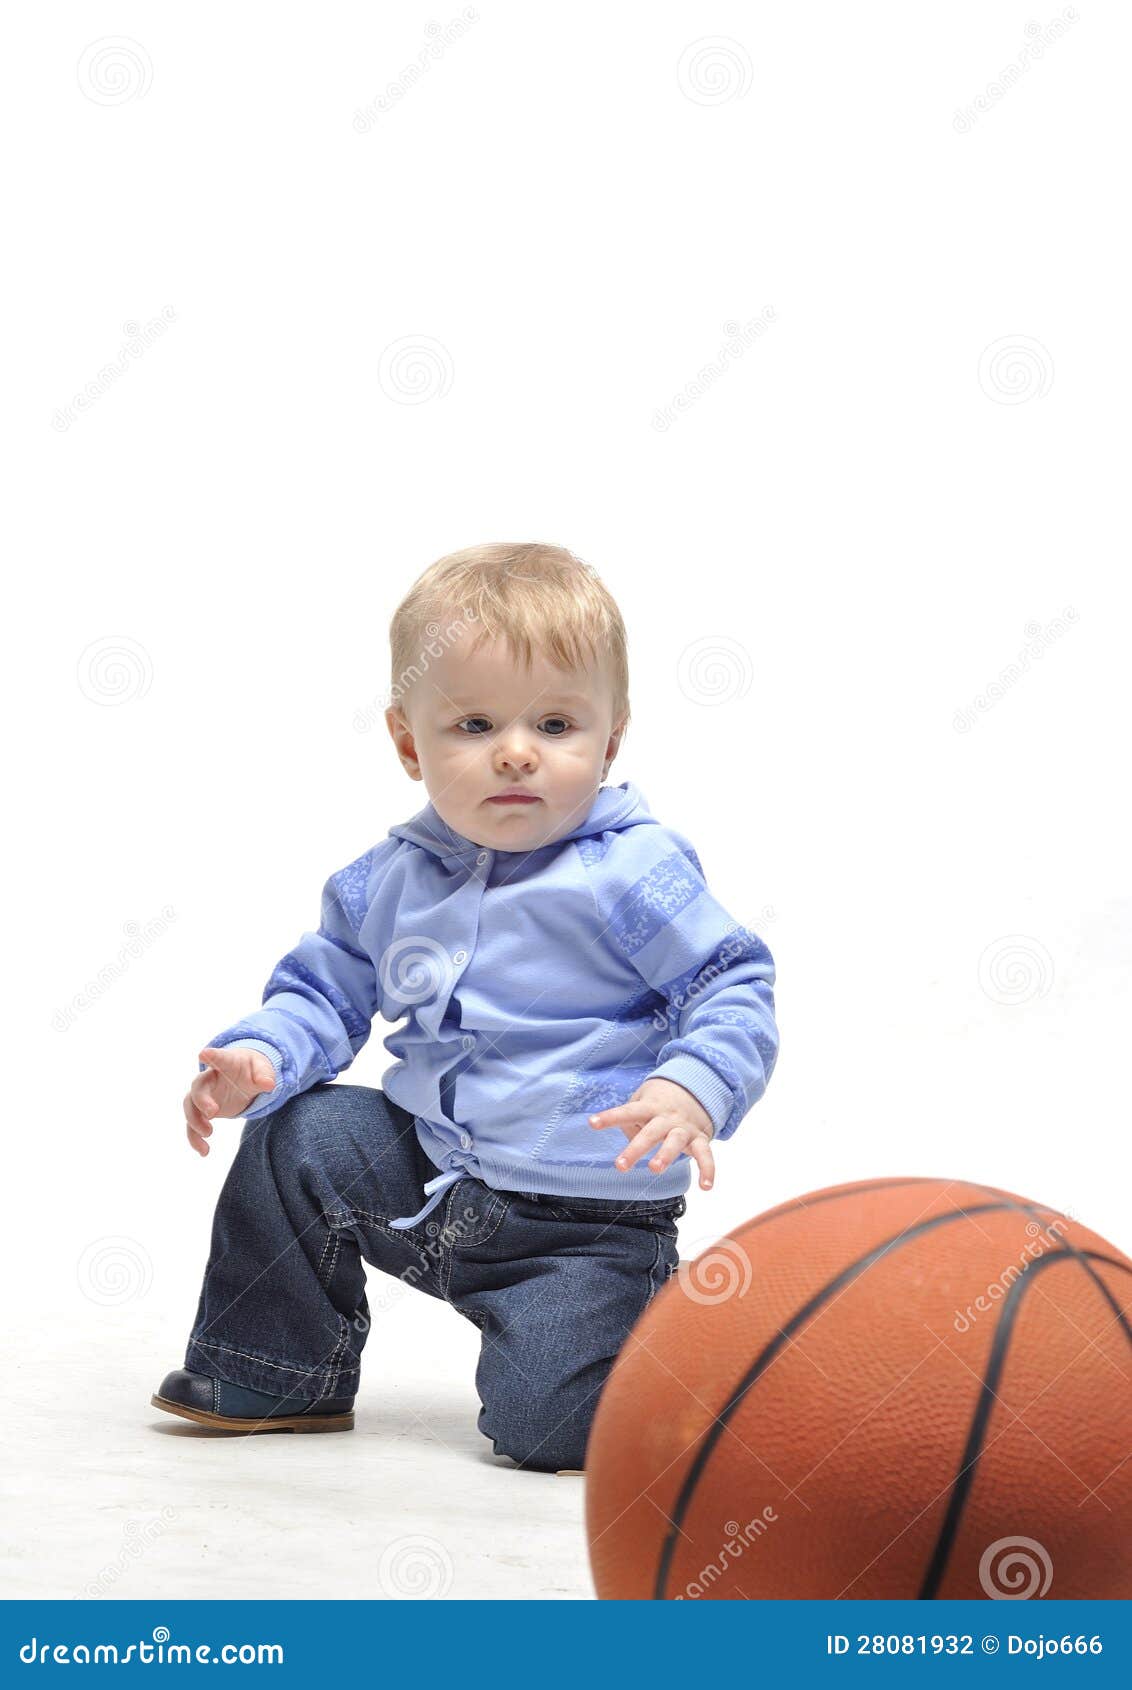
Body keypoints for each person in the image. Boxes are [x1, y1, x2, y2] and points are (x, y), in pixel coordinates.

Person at [152, 542, 779, 1472]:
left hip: (582, 1225)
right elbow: (325, 989)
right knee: (299, 1134)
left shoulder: (629, 869)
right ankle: (277, 1371)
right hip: (430, 1175)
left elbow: (732, 982)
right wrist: (265, 1056)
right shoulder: (389, 880)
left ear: (610, 740)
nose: (517, 751)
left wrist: (691, 1087)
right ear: (410, 743)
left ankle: (681, 1359)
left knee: (553, 1435)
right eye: (475, 723)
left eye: (556, 723)